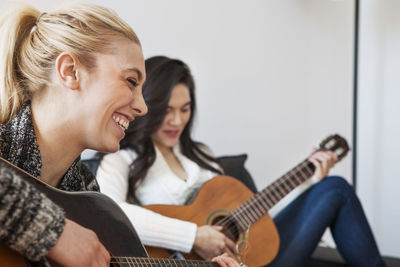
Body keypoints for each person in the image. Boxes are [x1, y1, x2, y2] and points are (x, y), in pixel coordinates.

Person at [0, 4, 238, 267]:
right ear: (70, 71)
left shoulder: (90, 198)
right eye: (131, 82)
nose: (143, 107)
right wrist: (53, 231)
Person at [96, 55, 386, 266]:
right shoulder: (121, 158)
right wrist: (194, 236)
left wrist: (310, 179)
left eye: (185, 110)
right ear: (149, 106)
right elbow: (112, 214)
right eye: (167, 110)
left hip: (250, 259)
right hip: (187, 261)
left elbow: (258, 223)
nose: (176, 120)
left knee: (333, 188)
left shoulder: (202, 155)